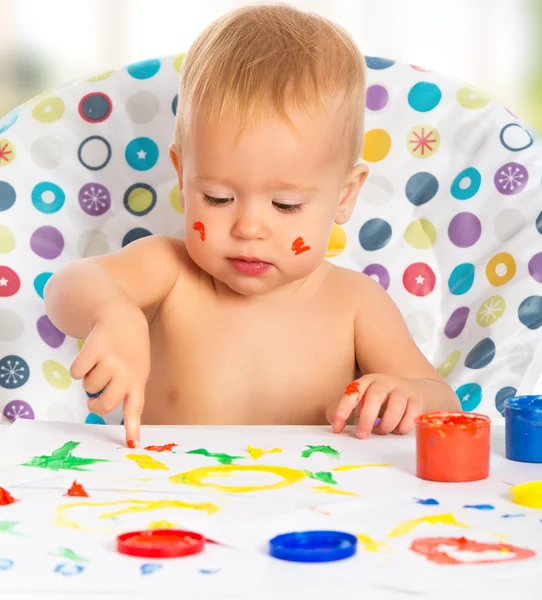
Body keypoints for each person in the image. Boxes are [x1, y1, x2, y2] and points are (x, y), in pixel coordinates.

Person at [44, 4, 460, 448]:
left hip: (313, 503)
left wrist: (407, 395)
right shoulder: (169, 271)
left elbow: (446, 406)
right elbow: (66, 287)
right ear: (183, 177)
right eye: (218, 198)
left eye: (285, 204)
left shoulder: (355, 303)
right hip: (170, 496)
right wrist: (114, 314)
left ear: (344, 196)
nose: (249, 228)